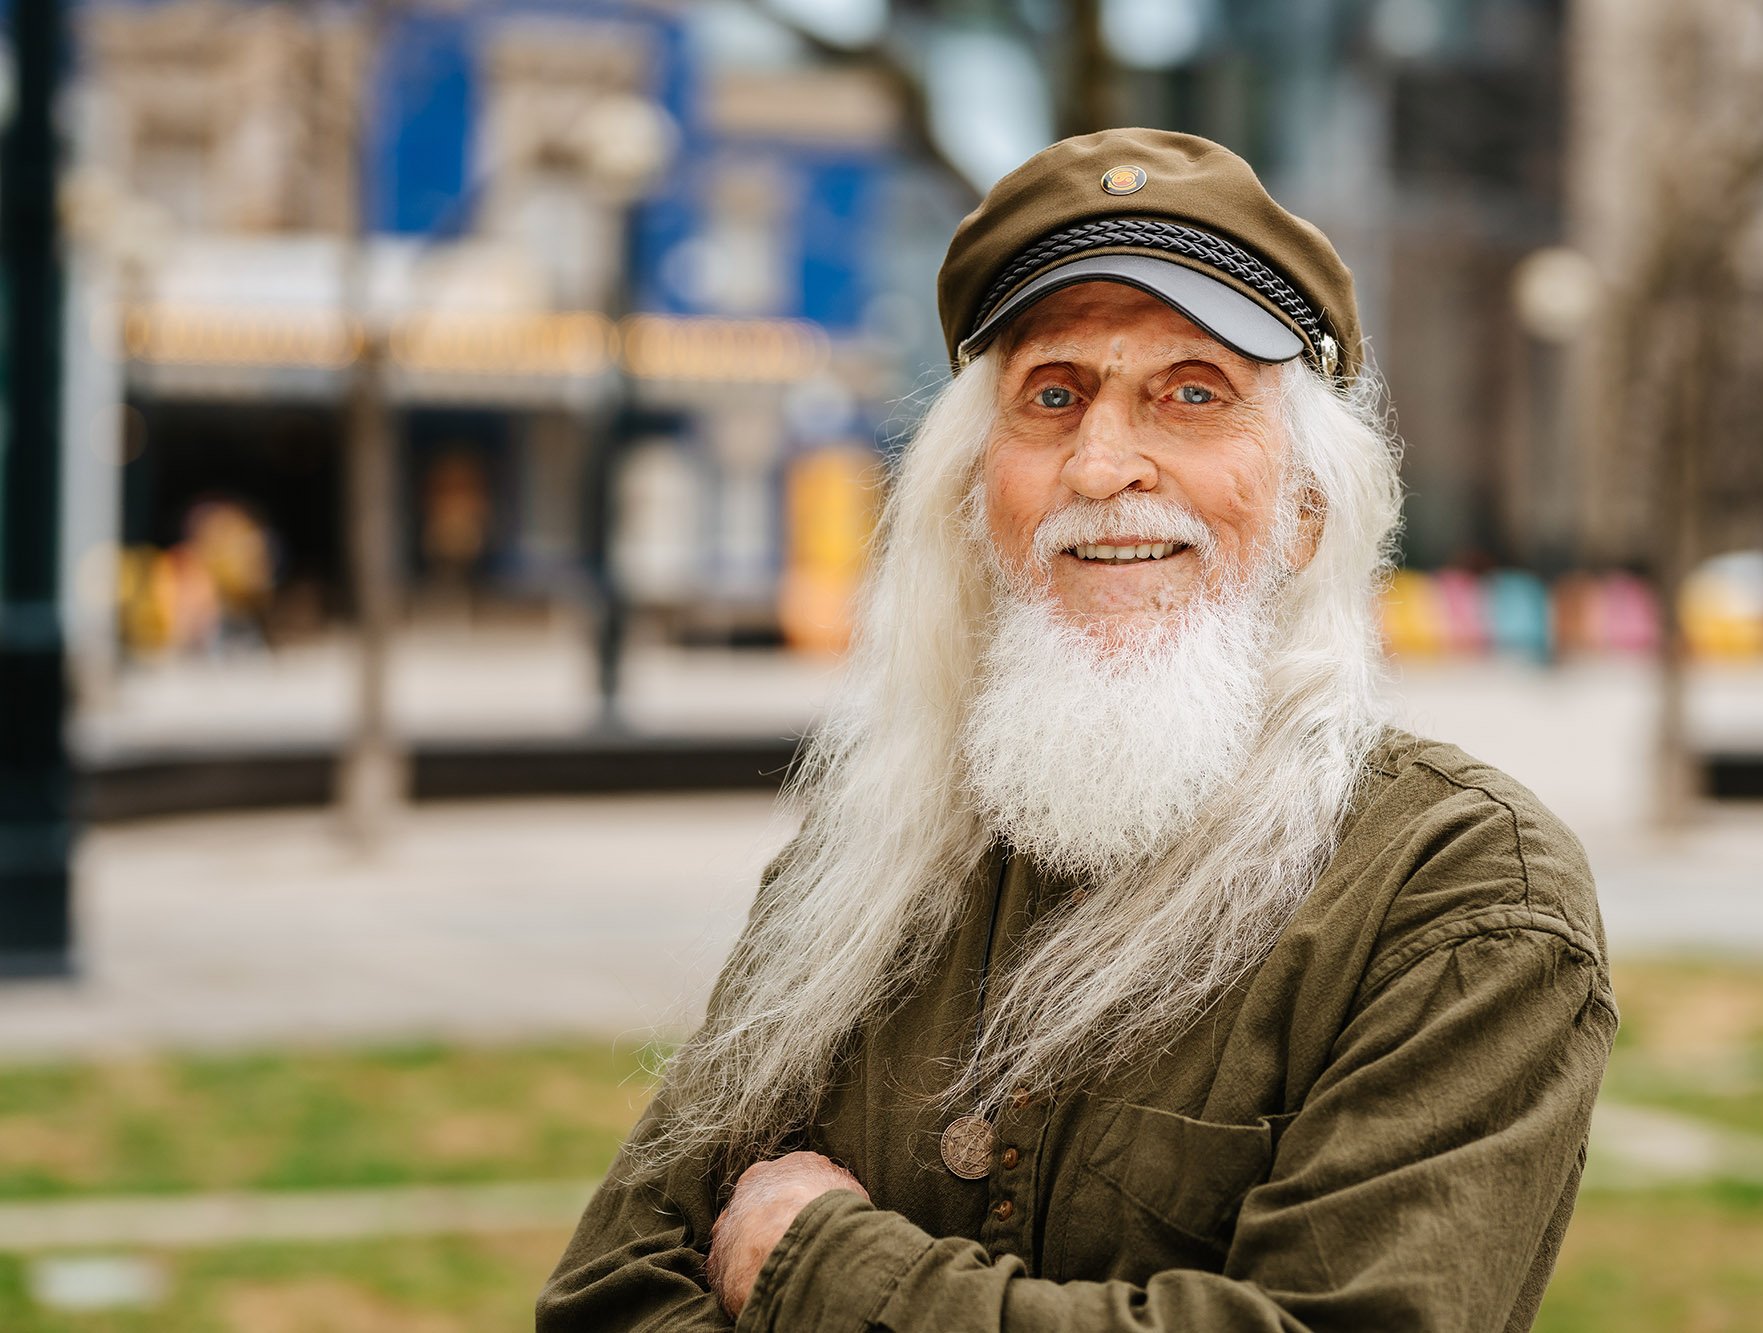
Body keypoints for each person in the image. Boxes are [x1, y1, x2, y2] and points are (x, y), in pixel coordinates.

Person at [539, 128, 1615, 1333]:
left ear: (1309, 511)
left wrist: (819, 1268)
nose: (1102, 465)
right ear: (972, 495)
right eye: (1051, 397)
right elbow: (609, 1294)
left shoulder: (1457, 897)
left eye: (1191, 394)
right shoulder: (871, 843)